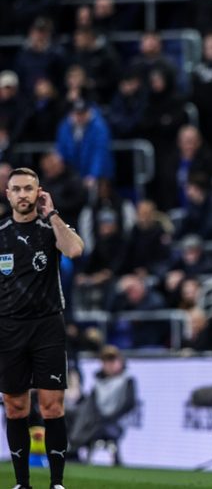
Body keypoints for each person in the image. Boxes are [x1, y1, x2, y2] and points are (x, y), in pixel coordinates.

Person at [0, 167, 84, 489]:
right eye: (17, 189)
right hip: (9, 329)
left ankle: (57, 483)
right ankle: (22, 483)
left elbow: (75, 250)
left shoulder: (50, 229)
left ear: (39, 193)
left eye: (29, 189)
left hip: (48, 326)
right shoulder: (2, 234)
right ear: (8, 194)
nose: (23, 195)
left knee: (51, 406)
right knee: (15, 406)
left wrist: (53, 215)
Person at [68, 345, 136, 466]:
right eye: (105, 361)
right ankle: (72, 447)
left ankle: (73, 447)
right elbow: (90, 403)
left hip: (113, 422)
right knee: (70, 413)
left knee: (85, 418)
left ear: (120, 361)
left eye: (112, 360)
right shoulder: (98, 382)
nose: (109, 364)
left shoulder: (127, 380)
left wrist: (109, 418)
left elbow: (129, 404)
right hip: (96, 420)